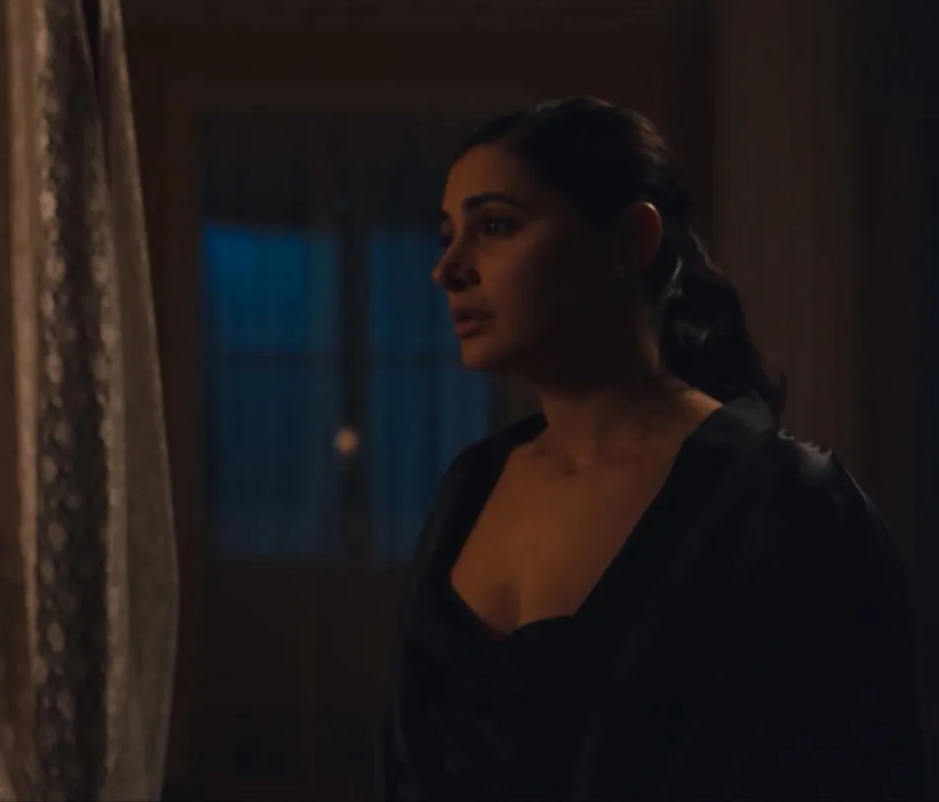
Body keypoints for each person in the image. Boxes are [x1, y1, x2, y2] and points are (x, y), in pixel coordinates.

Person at [381, 97, 922, 799]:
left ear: (629, 241)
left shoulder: (785, 500)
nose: (448, 268)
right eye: (446, 235)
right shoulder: (472, 482)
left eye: (495, 226)